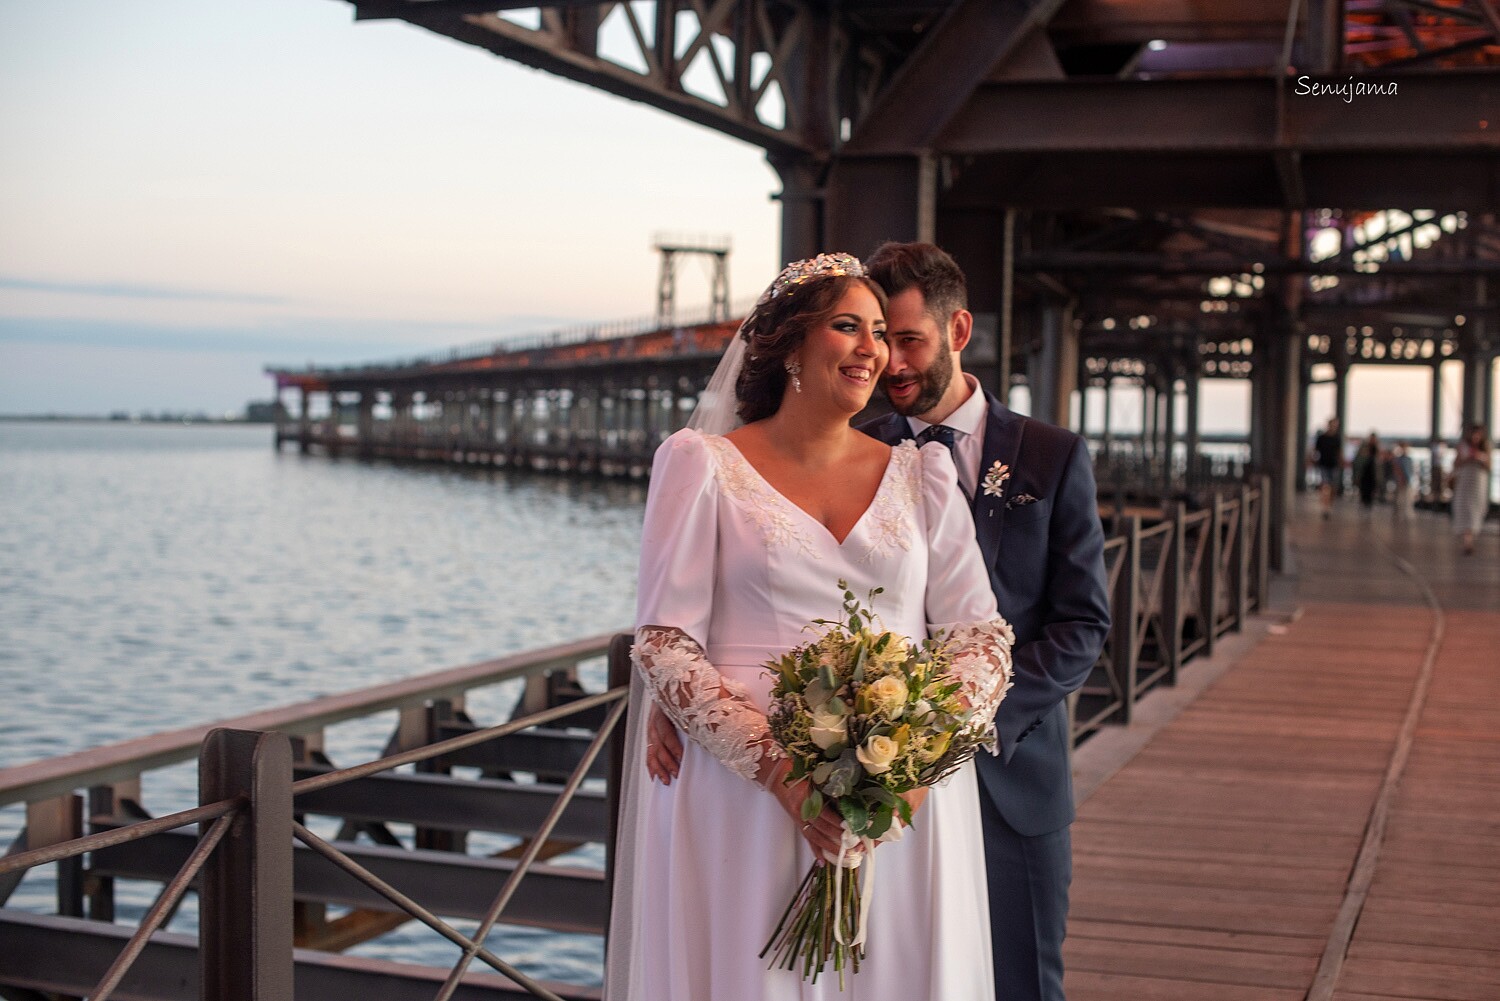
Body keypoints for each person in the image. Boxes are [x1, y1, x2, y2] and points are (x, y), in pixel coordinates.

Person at [610, 252, 1015, 1000]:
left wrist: (913, 768)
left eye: (882, 333)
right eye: (847, 326)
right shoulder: (701, 464)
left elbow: (978, 636)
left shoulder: (922, 476)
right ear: (792, 344)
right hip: (746, 796)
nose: (873, 348)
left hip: (904, 806)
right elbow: (665, 641)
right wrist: (783, 774)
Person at [1452, 423, 1492, 555]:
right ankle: (1467, 541)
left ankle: (1470, 538)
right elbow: (1456, 464)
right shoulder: (1463, 446)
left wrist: (1480, 458)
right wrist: (1467, 459)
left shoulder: (1486, 447)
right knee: (1465, 509)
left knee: (1476, 509)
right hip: (1465, 481)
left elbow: (1489, 466)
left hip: (1478, 482)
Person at [1311, 418, 1343, 519]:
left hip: (1333, 465)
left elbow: (1339, 452)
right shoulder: (1322, 438)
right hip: (1323, 464)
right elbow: (1315, 450)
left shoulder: (1337, 438)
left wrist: (1341, 462)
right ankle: (1325, 507)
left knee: (1333, 487)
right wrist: (1312, 459)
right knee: (1325, 486)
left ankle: (1329, 505)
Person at [1353, 432, 1381, 510]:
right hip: (1364, 471)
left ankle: (1368, 503)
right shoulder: (1364, 447)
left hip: (1372, 472)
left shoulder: (1376, 448)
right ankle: (1364, 502)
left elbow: (1379, 462)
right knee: (1364, 488)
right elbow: (1358, 459)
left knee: (1371, 488)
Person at [1390, 443, 1415, 521]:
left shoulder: (1408, 459)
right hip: (1400, 481)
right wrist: (1400, 478)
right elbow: (1397, 470)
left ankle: (1407, 513)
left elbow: (1411, 471)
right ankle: (1399, 513)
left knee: (1407, 498)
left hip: (1408, 481)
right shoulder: (1398, 460)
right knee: (1399, 498)